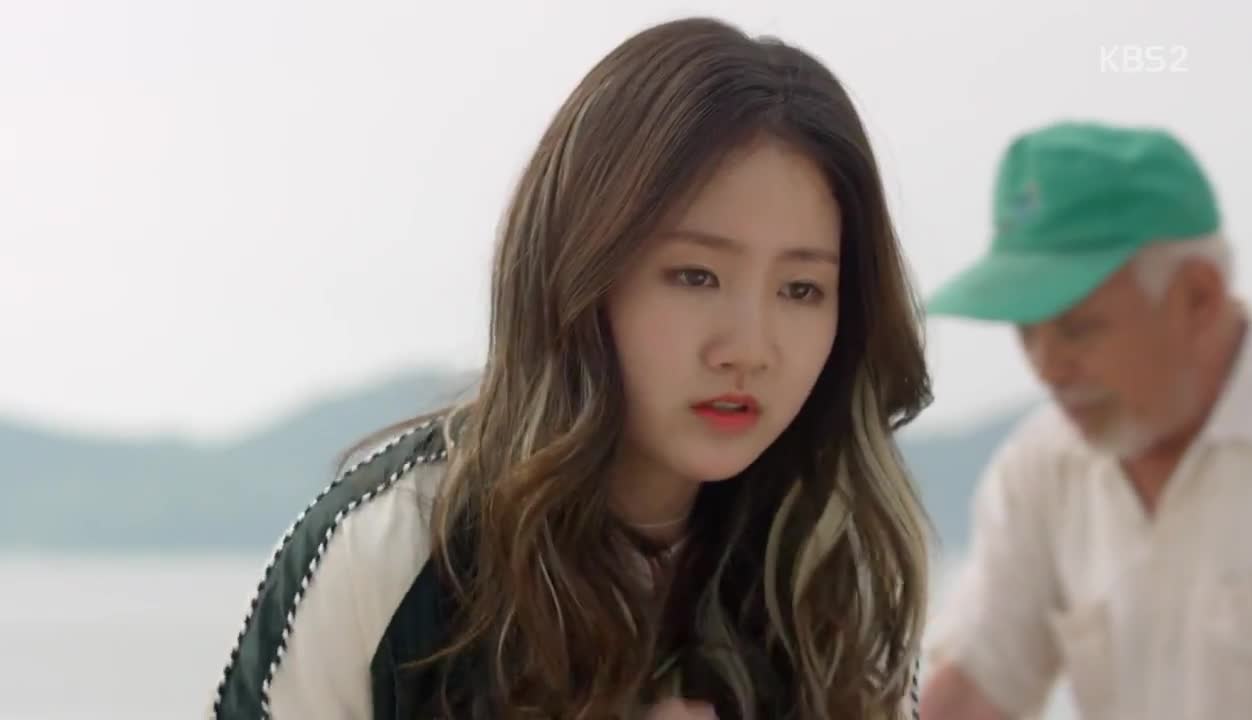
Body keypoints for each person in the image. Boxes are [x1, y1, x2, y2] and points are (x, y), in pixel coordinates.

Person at [208, 16, 934, 720]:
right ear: (580, 271)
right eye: (695, 276)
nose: (749, 348)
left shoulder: (837, 567)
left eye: (801, 290)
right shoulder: (392, 553)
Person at [918, 120, 1252, 720]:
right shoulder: (1042, 468)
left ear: (1198, 296)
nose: (1046, 368)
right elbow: (974, 689)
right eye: (1026, 333)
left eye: (1077, 328)